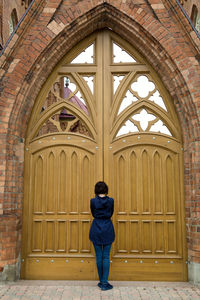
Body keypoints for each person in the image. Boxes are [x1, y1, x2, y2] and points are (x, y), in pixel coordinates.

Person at [89, 181, 115, 291]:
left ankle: (101, 282)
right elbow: (111, 212)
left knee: (99, 256)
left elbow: (93, 213)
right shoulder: (111, 201)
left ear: (96, 190)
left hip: (96, 228)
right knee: (106, 257)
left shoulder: (93, 201)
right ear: (106, 189)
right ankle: (104, 283)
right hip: (108, 228)